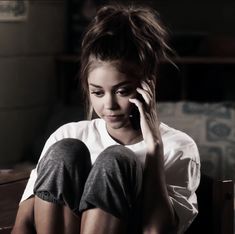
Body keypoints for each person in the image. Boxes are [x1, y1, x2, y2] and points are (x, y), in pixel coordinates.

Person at [12, 3, 200, 234]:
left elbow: (157, 230)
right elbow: (22, 226)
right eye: (98, 92)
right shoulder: (68, 134)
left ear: (147, 86)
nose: (109, 105)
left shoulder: (178, 147)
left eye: (122, 91)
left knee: (116, 159)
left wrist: (154, 147)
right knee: (65, 150)